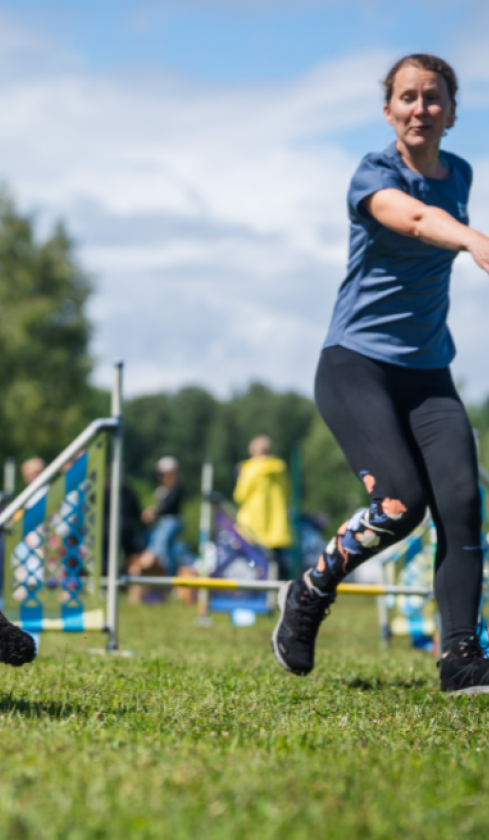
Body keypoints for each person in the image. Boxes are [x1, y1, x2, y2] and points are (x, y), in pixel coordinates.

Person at [272, 54, 489, 695]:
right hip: (355, 366)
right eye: (408, 97)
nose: (421, 109)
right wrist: (473, 239)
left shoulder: (461, 173)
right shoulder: (374, 174)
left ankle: (461, 657)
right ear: (389, 110)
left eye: (433, 98)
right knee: (400, 505)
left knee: (462, 503)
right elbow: (416, 220)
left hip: (429, 373)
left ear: (452, 111)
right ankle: (310, 590)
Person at [233, 436, 293, 579]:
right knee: (278, 567)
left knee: (253, 566)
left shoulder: (249, 469)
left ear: (253, 451)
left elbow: (239, 495)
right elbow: (287, 492)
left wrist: (239, 475)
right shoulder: (280, 469)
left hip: (252, 526)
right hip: (277, 528)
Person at [128, 456, 185, 603]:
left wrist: (154, 513)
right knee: (169, 553)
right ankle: (165, 585)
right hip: (162, 523)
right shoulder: (163, 488)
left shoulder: (176, 486)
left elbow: (168, 507)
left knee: (161, 553)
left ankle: (167, 584)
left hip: (169, 522)